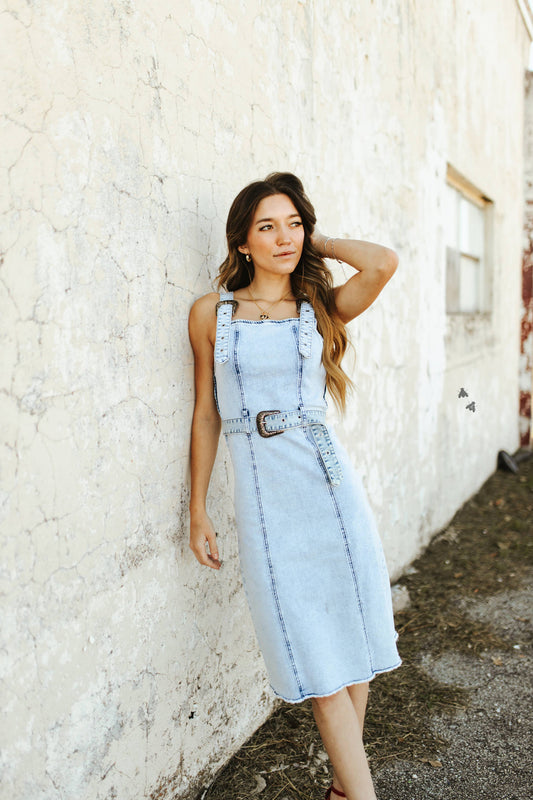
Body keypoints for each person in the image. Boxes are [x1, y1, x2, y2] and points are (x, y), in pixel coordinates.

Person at [188, 172, 401, 800]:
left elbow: (384, 263)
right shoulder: (211, 314)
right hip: (266, 502)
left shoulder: (318, 307)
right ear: (242, 243)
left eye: (293, 224)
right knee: (316, 654)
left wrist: (321, 245)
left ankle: (345, 790)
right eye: (266, 227)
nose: (284, 238)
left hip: (332, 490)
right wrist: (197, 508)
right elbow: (205, 414)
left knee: (354, 641)